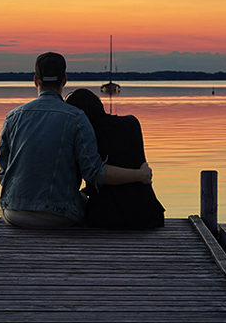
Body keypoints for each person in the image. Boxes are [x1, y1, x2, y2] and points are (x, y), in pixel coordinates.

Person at [0, 52, 152, 229]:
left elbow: (4, 173)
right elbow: (94, 173)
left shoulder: (12, 117)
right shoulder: (77, 117)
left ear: (35, 80)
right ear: (64, 80)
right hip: (59, 215)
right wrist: (140, 175)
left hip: (13, 213)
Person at [65, 88, 165, 229]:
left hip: (107, 217)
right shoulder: (132, 123)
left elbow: (97, 176)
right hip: (148, 215)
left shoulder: (87, 136)